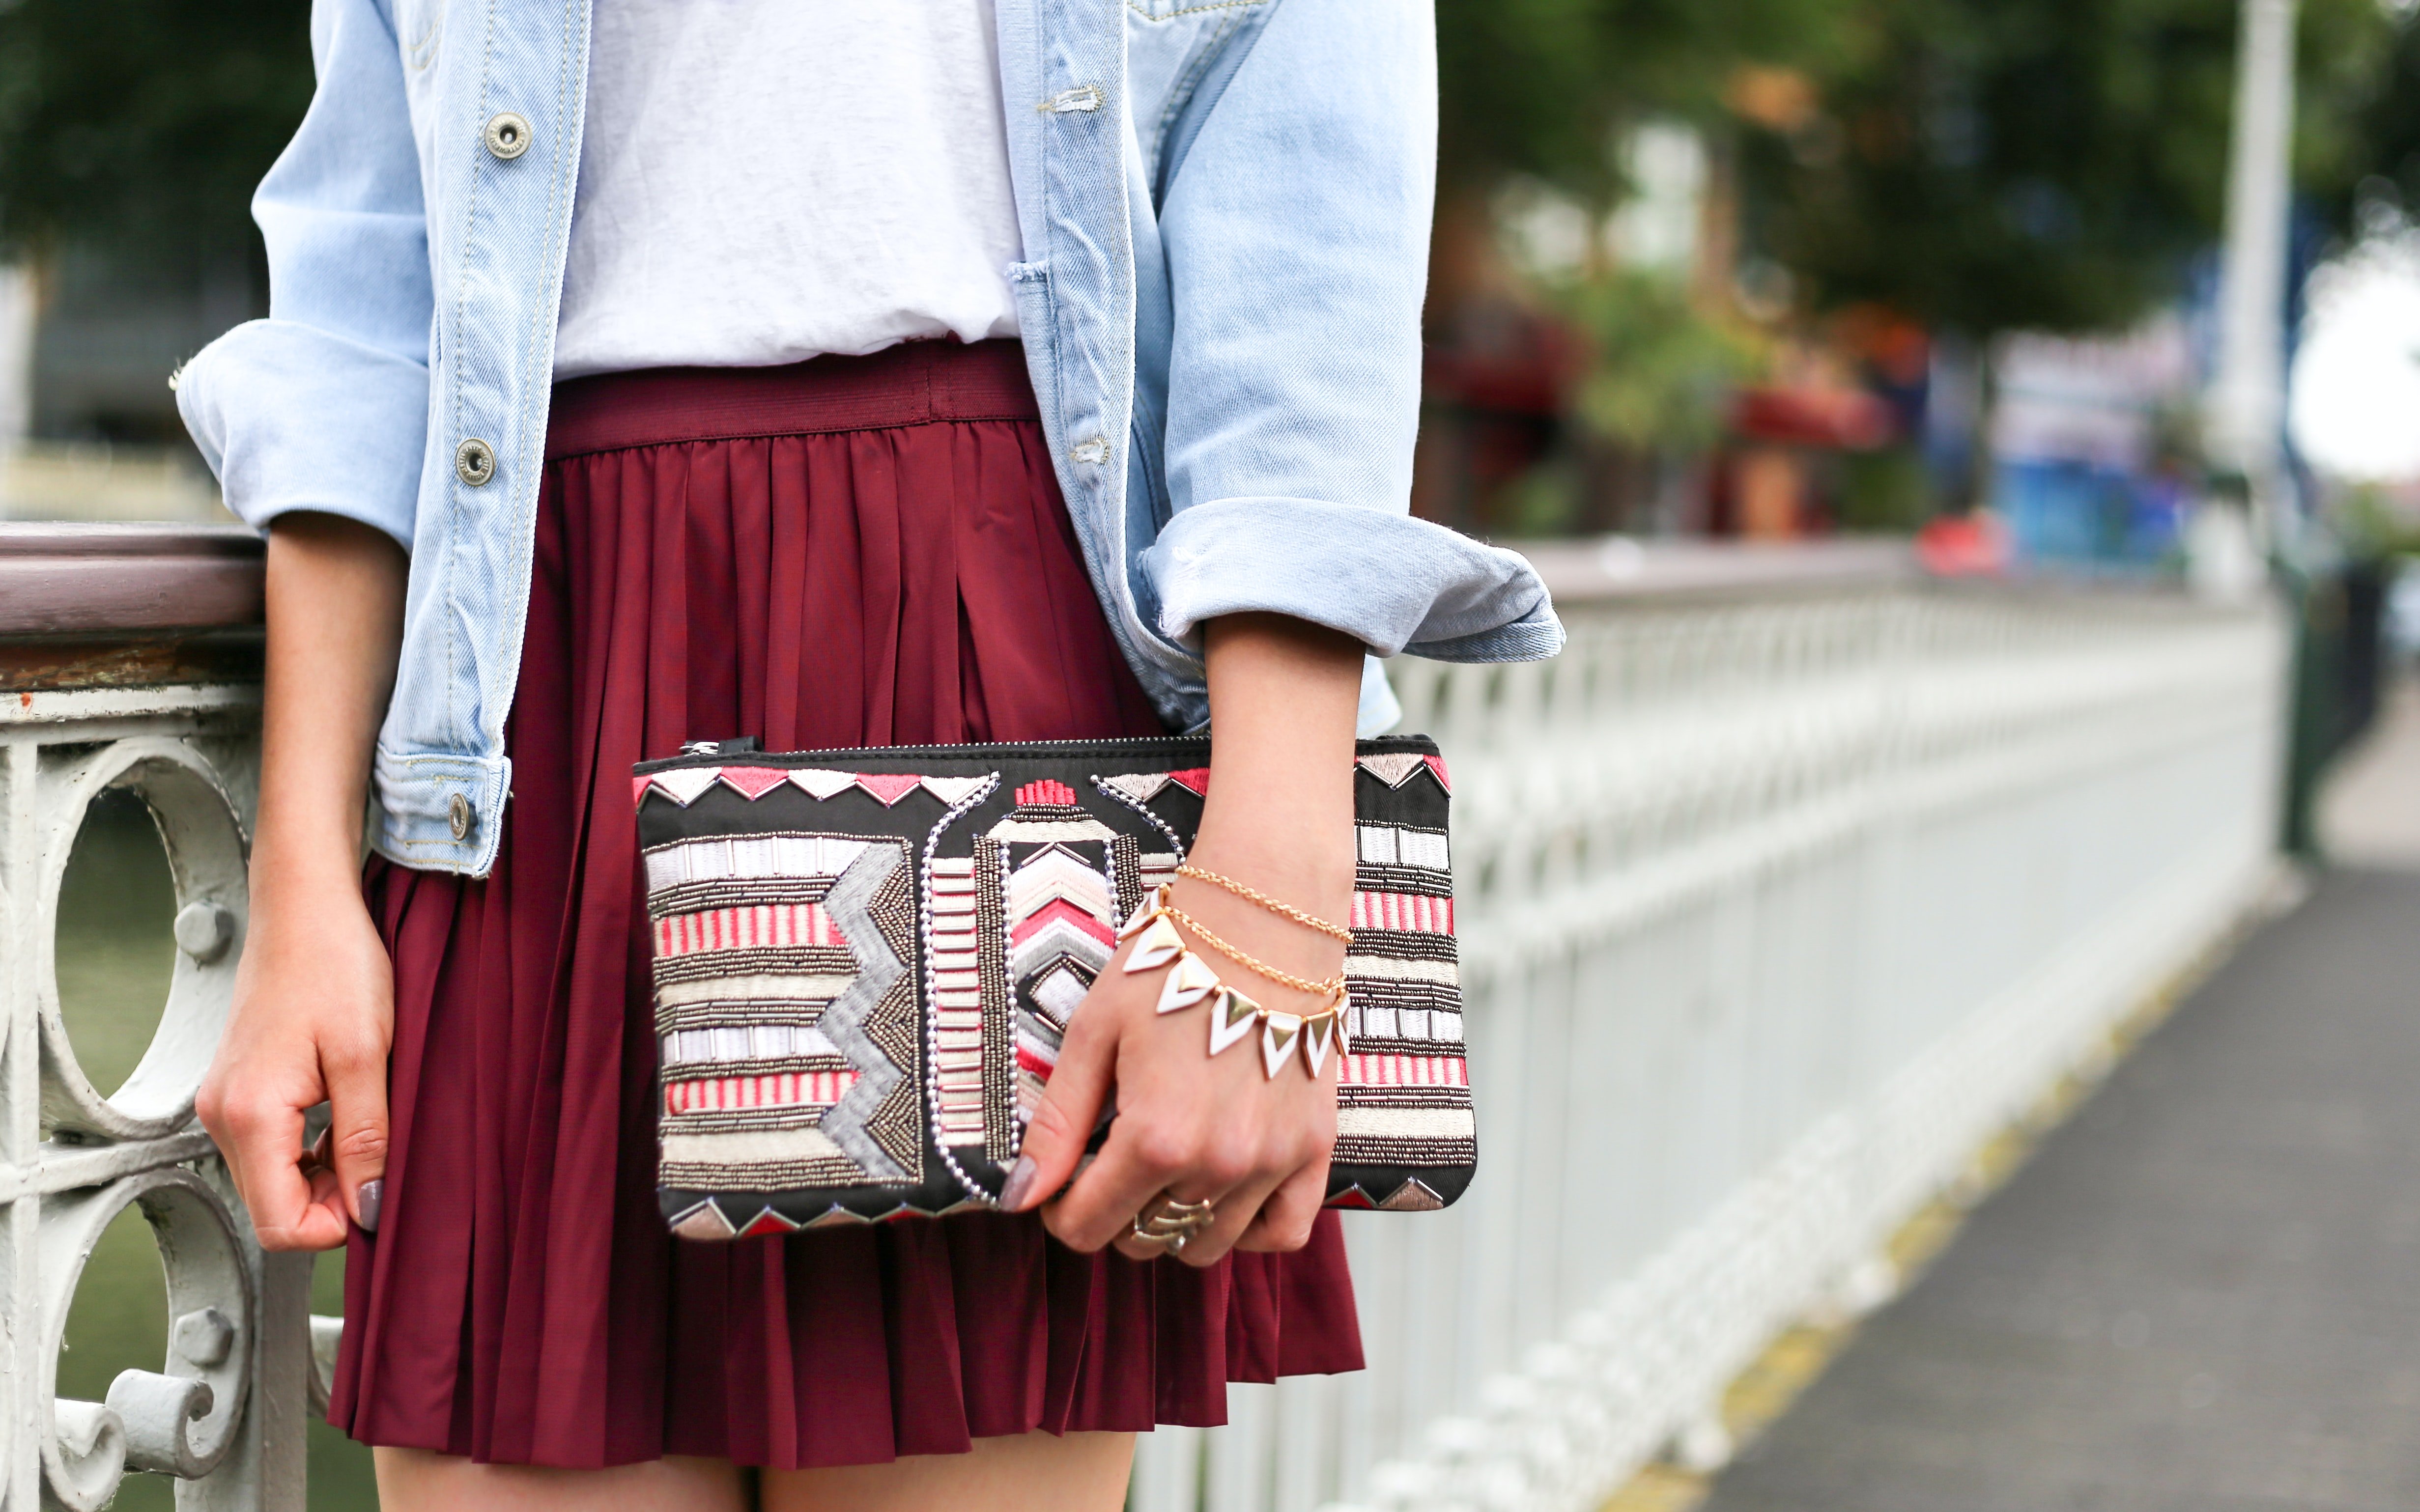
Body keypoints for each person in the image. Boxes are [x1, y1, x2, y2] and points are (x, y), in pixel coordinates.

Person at [175, 2, 1561, 1507]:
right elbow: (363, 315)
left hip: (992, 685)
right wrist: (303, 870)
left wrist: (1278, 904)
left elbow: (1306, 264)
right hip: (528, 708)